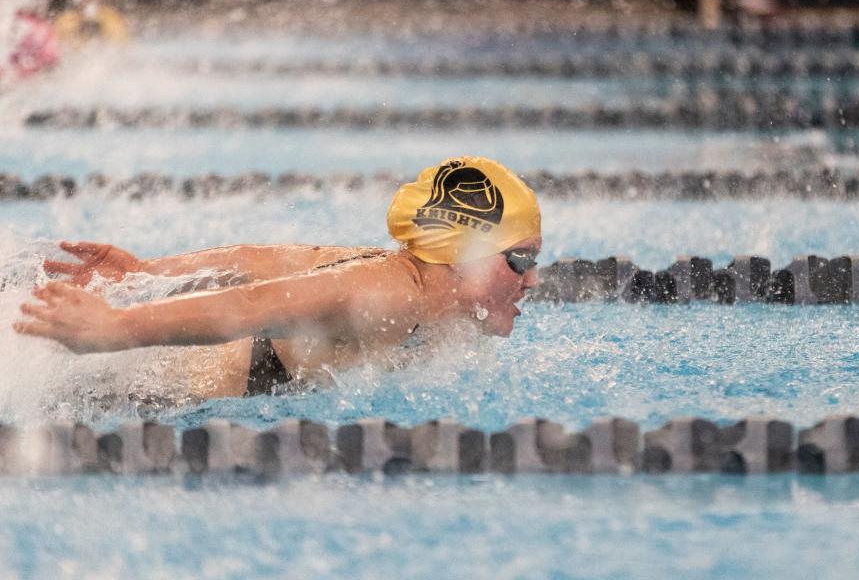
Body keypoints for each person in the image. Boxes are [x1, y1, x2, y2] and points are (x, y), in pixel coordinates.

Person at [14, 157, 542, 398]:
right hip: (148, 377)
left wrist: (148, 271)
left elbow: (267, 259)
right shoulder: (389, 293)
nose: (532, 281)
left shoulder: (415, 283)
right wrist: (116, 328)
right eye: (518, 261)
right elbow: (246, 307)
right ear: (463, 254)